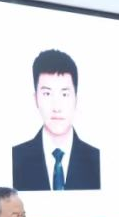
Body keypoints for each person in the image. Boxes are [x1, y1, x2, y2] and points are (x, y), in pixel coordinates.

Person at [12, 49, 100, 191]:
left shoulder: (97, 161)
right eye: (47, 94)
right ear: (36, 99)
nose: (57, 107)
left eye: (65, 94)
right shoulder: (15, 159)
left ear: (76, 99)